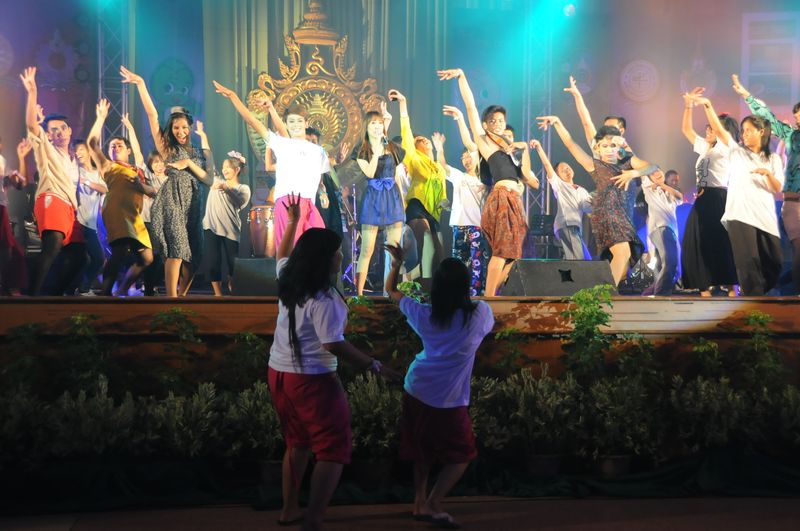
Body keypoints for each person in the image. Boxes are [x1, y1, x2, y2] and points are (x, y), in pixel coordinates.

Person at [268, 193, 398, 531]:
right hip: (312, 380)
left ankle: (289, 510)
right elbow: (332, 343)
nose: (341, 255)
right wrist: (374, 365)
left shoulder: (289, 278)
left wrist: (293, 222)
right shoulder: (325, 299)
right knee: (333, 447)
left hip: (279, 372)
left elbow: (282, 255)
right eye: (337, 251)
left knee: (297, 443)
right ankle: (313, 519)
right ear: (325, 259)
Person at [385, 244, 494, 529]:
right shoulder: (479, 315)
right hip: (448, 397)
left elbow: (391, 291)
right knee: (463, 453)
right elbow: (485, 323)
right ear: (465, 287)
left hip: (417, 388)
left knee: (421, 449)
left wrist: (396, 264)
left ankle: (419, 502)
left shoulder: (424, 314)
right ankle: (432, 503)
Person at [437, 68, 540, 296]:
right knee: (502, 252)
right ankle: (490, 299)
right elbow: (471, 107)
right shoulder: (486, 145)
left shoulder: (512, 151)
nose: (498, 124)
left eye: (501, 120)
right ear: (485, 125)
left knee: (517, 254)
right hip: (501, 198)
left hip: (515, 201)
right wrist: (462, 76)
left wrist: (524, 148)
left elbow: (531, 179)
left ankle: (492, 294)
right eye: (493, 121)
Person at [122, 65, 213, 297]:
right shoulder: (167, 149)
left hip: (194, 206)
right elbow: (152, 116)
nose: (180, 131)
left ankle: (181, 297)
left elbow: (209, 180)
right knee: (177, 251)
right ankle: (171, 300)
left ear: (190, 128)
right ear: (171, 129)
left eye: (184, 127)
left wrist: (188, 163)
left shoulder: (200, 153)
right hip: (172, 202)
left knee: (195, 255)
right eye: (176, 127)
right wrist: (141, 84)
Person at [536, 115, 654, 286]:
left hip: (622, 217)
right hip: (606, 215)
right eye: (604, 146)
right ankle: (603, 295)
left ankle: (606, 292)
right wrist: (558, 123)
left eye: (612, 145)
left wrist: (633, 173)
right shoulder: (595, 165)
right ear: (598, 147)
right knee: (621, 253)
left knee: (625, 257)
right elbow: (572, 143)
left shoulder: (627, 162)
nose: (609, 149)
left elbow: (653, 167)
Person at [687, 89, 784, 296]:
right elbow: (720, 131)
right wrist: (707, 105)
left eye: (749, 130)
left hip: (763, 216)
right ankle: (751, 300)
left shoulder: (773, 158)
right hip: (739, 214)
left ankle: (759, 293)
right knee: (747, 262)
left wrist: (767, 174)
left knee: (774, 262)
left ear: (761, 132)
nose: (744, 134)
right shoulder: (735, 151)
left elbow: (777, 188)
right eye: (743, 130)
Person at [213, 80, 329, 251]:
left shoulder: (318, 151)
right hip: (288, 203)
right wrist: (233, 96)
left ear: (306, 123)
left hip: (309, 205)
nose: (295, 125)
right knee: (292, 252)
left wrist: (323, 193)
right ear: (287, 124)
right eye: (291, 122)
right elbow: (253, 121)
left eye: (299, 121)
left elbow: (319, 179)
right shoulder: (282, 144)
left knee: (317, 251)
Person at [20, 66, 88, 295]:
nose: (59, 132)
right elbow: (32, 126)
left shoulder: (74, 160)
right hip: (52, 199)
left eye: (62, 128)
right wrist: (32, 92)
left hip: (70, 208)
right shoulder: (46, 149)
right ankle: (32, 298)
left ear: (69, 131)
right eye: (53, 130)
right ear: (48, 135)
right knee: (52, 246)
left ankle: (55, 295)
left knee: (80, 256)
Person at [732, 74, 800, 294]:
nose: (798, 122)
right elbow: (768, 118)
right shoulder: (792, 136)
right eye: (797, 119)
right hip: (794, 203)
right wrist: (747, 96)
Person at [86, 99, 154, 296]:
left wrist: (141, 186)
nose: (115, 148)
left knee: (147, 258)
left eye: (119, 146)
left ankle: (122, 289)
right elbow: (92, 144)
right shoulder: (108, 166)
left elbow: (152, 192)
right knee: (120, 250)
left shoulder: (136, 170)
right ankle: (106, 291)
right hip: (117, 212)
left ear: (128, 150)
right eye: (112, 146)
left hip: (134, 217)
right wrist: (100, 118)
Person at [680, 87, 739, 297]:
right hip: (702, 199)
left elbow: (720, 130)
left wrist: (707, 105)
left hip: (719, 198)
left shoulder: (727, 146)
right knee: (695, 241)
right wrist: (688, 105)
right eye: (707, 129)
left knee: (721, 242)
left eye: (711, 129)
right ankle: (703, 288)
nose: (708, 131)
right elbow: (686, 130)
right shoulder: (706, 147)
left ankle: (731, 287)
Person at [388, 88, 448, 293]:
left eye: (425, 139)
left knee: (438, 253)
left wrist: (439, 149)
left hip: (434, 212)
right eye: (420, 140)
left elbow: (442, 188)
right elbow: (406, 131)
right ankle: (404, 285)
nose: (425, 141)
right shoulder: (414, 158)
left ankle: (430, 289)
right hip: (417, 207)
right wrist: (403, 104)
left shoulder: (437, 167)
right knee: (421, 246)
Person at [352, 105, 405, 295]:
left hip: (392, 197)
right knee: (367, 249)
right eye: (373, 124)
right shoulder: (361, 150)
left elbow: (396, 174)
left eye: (379, 123)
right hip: (373, 198)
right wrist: (376, 150)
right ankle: (358, 295)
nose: (377, 127)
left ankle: (390, 291)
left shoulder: (391, 147)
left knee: (394, 249)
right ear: (366, 127)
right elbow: (370, 172)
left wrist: (402, 203)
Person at [441, 105, 490, 295]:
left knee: (477, 263)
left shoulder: (484, 179)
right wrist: (439, 148)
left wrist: (460, 118)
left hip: (477, 227)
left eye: (469, 157)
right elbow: (443, 166)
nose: (466, 160)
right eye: (463, 158)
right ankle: (457, 292)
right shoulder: (458, 176)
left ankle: (477, 293)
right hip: (459, 226)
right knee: (458, 263)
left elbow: (472, 146)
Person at [530, 139, 592, 260]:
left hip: (576, 227)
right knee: (578, 260)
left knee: (586, 258)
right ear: (558, 176)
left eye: (568, 168)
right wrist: (539, 147)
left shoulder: (581, 190)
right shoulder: (559, 185)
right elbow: (547, 165)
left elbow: (588, 207)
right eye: (563, 170)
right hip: (567, 224)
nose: (567, 170)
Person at [202, 151, 251, 296]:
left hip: (231, 230)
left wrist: (226, 188)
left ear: (237, 169)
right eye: (223, 167)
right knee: (213, 262)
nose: (224, 170)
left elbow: (240, 202)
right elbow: (209, 159)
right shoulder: (216, 180)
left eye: (228, 167)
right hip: (211, 226)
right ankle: (218, 295)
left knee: (232, 264)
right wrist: (204, 138)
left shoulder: (243, 188)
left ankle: (233, 289)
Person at [72, 138, 108, 294]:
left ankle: (79, 288)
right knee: (97, 258)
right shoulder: (75, 171)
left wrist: (87, 182)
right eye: (75, 151)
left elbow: (105, 189)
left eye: (81, 149)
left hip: (92, 223)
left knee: (94, 259)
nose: (77, 153)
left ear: (88, 152)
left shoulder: (97, 173)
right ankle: (82, 288)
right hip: (79, 221)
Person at [640, 169, 683, 296]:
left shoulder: (669, 193)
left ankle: (651, 290)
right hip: (660, 228)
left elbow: (680, 197)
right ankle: (660, 294)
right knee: (670, 263)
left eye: (659, 171)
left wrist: (661, 184)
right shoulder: (649, 188)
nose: (657, 173)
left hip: (671, 231)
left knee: (677, 270)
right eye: (653, 173)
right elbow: (642, 170)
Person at [0, 140, 29, 295]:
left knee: (11, 251)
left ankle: (7, 287)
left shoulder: (2, 161)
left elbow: (20, 184)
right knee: (8, 250)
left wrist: (21, 158)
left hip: (1, 208)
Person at [141, 151, 168, 296]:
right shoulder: (148, 176)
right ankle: (148, 287)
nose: (159, 165)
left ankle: (151, 285)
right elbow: (138, 155)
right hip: (146, 221)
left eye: (161, 161)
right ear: (150, 164)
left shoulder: (170, 180)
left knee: (160, 257)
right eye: (155, 162)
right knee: (149, 256)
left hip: (161, 223)